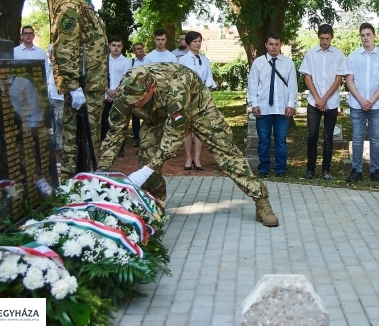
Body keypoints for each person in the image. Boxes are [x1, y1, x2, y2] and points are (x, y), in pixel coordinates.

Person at [99, 63, 280, 226]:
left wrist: (146, 170)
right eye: (132, 101)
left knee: (226, 153)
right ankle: (154, 204)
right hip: (156, 117)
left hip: (197, 108)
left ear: (151, 87)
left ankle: (261, 201)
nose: (135, 104)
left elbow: (174, 135)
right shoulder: (127, 93)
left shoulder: (176, 86)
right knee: (147, 154)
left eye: (139, 100)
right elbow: (115, 133)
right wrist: (101, 174)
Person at [51, 0, 109, 179]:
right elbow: (64, 47)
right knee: (74, 142)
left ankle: (89, 183)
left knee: (90, 140)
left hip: (91, 87)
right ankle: (70, 190)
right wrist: (73, 87)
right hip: (82, 87)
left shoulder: (83, 2)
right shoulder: (70, 3)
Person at [299, 24, 349, 180]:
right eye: (322, 38)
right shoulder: (311, 54)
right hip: (314, 103)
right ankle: (310, 170)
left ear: (331, 37)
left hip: (331, 102)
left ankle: (326, 170)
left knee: (328, 137)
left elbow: (339, 79)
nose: (324, 41)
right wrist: (318, 99)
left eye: (327, 38)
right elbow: (308, 78)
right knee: (312, 135)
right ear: (318, 37)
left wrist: (325, 99)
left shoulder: (338, 55)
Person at [345, 23, 379, 183]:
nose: (365, 37)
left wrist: (371, 101)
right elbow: (349, 81)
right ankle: (356, 171)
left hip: (376, 105)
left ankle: (375, 171)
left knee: (375, 138)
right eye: (363, 35)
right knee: (357, 138)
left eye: (368, 34)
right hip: (357, 104)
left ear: (374, 36)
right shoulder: (353, 56)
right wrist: (361, 100)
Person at [247, 33, 297, 178]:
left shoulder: (288, 63)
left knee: (281, 140)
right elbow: (253, 85)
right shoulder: (258, 63)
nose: (274, 47)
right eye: (271, 44)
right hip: (263, 108)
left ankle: (281, 169)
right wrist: (254, 104)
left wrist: (291, 105)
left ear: (280, 45)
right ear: (266, 45)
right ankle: (264, 169)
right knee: (264, 140)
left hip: (282, 108)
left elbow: (293, 86)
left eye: (276, 44)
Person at [178, 30, 217, 171]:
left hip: (203, 97)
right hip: (189, 98)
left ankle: (197, 159)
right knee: (188, 129)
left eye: (199, 41)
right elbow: (183, 79)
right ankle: (188, 158)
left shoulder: (205, 59)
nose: (198, 44)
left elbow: (209, 77)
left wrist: (206, 87)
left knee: (200, 129)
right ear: (188, 43)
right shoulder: (183, 60)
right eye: (195, 41)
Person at [100, 36, 131, 157]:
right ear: (109, 46)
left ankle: (120, 148)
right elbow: (101, 78)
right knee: (105, 123)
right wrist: (107, 91)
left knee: (119, 123)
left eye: (119, 46)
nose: (116, 48)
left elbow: (126, 80)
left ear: (122, 47)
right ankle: (106, 147)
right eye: (114, 45)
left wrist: (116, 92)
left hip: (119, 97)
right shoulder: (104, 60)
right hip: (105, 96)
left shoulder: (126, 61)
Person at [130, 43, 147, 147]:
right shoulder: (131, 62)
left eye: (141, 48)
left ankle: (146, 138)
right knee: (135, 116)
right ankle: (137, 138)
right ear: (134, 51)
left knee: (147, 116)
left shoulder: (148, 60)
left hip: (147, 91)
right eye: (137, 49)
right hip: (135, 92)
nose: (140, 50)